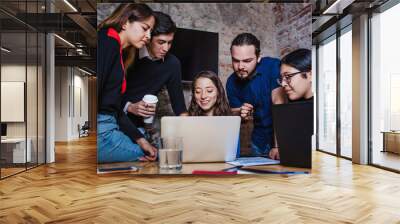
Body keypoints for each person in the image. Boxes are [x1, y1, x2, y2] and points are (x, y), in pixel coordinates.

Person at [97, 3, 157, 163]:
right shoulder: (106, 42)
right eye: (145, 28)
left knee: (143, 136)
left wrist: (140, 139)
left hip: (109, 124)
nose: (149, 36)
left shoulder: (117, 49)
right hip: (102, 131)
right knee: (155, 154)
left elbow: (114, 108)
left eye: (150, 31)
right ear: (125, 22)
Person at [122, 11, 186, 130]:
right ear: (148, 37)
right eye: (161, 42)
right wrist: (129, 107)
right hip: (115, 121)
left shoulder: (173, 63)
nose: (166, 48)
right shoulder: (128, 53)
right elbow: (107, 94)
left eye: (170, 42)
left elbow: (180, 107)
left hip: (140, 127)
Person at [226, 33, 285, 158]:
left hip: (282, 138)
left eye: (247, 61)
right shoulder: (231, 82)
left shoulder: (273, 66)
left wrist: (278, 146)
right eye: (236, 60)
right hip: (258, 142)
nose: (240, 66)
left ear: (258, 57)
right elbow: (236, 114)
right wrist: (241, 111)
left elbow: (279, 103)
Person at [271, 48, 313, 160]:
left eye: (288, 77)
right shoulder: (289, 100)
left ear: (310, 75)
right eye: (282, 78)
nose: (283, 83)